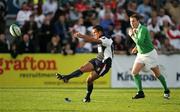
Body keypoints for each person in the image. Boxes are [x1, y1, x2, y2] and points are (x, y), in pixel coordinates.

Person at [56, 25, 113, 102]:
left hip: (104, 64)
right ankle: (67, 77)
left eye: (94, 33)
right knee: (82, 68)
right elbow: (91, 39)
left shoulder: (106, 39)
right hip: (97, 60)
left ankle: (87, 97)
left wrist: (82, 36)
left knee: (89, 80)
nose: (93, 34)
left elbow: (92, 40)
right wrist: (75, 35)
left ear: (100, 32)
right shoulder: (100, 38)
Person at [128, 14, 170, 99]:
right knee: (134, 72)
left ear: (138, 21)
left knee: (157, 75)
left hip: (150, 54)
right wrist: (136, 48)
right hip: (141, 54)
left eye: (133, 21)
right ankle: (140, 92)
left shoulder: (143, 29)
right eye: (130, 21)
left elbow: (140, 42)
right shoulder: (135, 29)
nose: (132, 23)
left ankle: (166, 90)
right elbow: (141, 42)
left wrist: (131, 35)